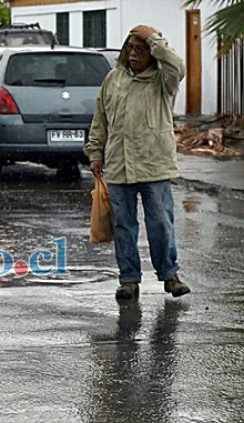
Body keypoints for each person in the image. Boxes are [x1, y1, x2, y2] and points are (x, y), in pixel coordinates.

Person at [83, 24, 191, 301]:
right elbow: (101, 119)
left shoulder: (164, 80)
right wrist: (95, 153)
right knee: (123, 226)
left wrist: (154, 38)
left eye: (141, 49)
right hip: (118, 166)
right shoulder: (113, 78)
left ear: (152, 53)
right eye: (130, 47)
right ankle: (129, 280)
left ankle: (170, 276)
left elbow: (178, 67)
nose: (133, 53)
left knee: (161, 224)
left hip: (154, 165)